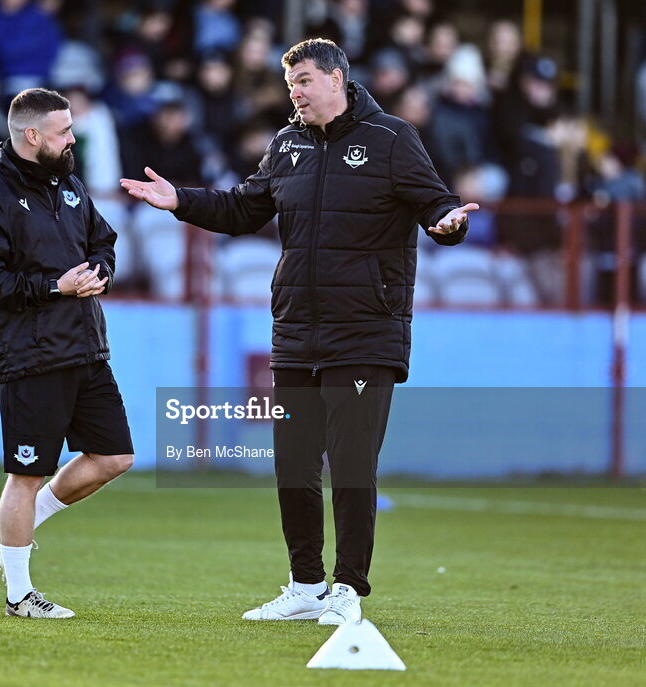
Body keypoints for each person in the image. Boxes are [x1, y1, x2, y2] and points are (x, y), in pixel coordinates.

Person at [121, 38, 477, 625]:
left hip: (366, 330)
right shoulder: (286, 145)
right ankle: (306, 585)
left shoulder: (392, 139)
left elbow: (437, 206)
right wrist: (179, 201)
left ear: (337, 79)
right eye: (291, 84)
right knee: (292, 465)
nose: (296, 93)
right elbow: (242, 209)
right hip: (295, 331)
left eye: (305, 81)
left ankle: (348, 590)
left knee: (352, 463)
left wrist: (447, 226)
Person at [0, 88, 134, 619]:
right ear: (32, 136)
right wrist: (55, 287)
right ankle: (18, 597)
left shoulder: (70, 186)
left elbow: (103, 240)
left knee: (115, 457)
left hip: (85, 348)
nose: (72, 137)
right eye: (63, 131)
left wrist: (100, 270)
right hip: (29, 356)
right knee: (25, 476)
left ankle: (21, 517)